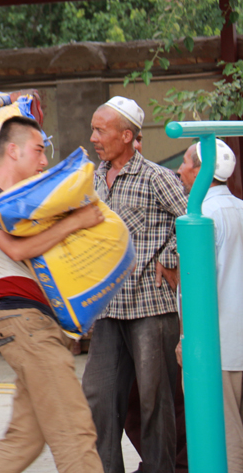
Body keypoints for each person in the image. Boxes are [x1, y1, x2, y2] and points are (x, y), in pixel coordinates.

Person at [0, 115, 104, 473]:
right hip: (27, 325)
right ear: (13, 150)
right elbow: (16, 251)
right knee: (75, 433)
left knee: (23, 442)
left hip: (38, 326)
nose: (45, 160)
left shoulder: (29, 202)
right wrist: (76, 222)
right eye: (39, 149)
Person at [82, 96, 188, 473]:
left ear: (127, 136)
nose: (93, 136)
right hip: (108, 309)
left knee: (155, 404)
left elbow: (192, 218)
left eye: (100, 130)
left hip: (151, 310)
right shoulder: (94, 178)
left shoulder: (157, 177)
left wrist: (170, 257)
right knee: (98, 399)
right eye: (94, 128)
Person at [176, 138, 243, 473]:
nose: (180, 170)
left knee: (222, 438)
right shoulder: (241, 209)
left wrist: (185, 338)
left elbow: (194, 288)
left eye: (186, 163)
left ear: (202, 171)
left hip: (217, 348)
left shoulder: (200, 217)